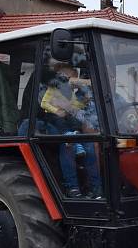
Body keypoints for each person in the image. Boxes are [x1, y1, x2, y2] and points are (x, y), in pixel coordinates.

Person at [40, 62, 102, 198]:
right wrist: (57, 111)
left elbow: (75, 107)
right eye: (68, 76)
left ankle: (96, 188)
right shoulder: (52, 89)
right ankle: (72, 187)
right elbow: (44, 103)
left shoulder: (71, 93)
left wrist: (84, 102)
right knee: (68, 145)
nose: (71, 80)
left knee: (90, 146)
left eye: (73, 76)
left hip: (69, 122)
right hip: (53, 122)